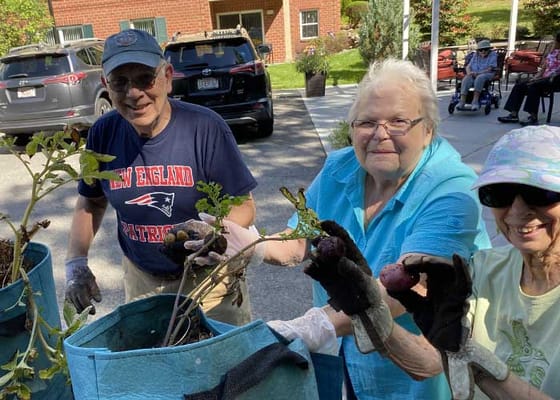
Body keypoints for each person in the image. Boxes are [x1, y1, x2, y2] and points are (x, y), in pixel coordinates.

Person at [186, 58, 492, 399]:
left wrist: (311, 326)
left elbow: (408, 288)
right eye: (367, 122)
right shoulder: (338, 169)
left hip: (415, 374)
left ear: (428, 130)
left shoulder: (452, 191)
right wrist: (254, 245)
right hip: (348, 360)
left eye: (398, 121)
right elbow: (299, 242)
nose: (380, 134)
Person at [289, 125, 560, 399]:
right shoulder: (486, 269)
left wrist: (470, 358)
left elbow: (459, 355)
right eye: (499, 194)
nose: (517, 211)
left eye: (541, 194)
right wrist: (370, 313)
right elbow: (429, 362)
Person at [63, 29, 257, 326]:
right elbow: (91, 203)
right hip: (142, 283)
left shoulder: (205, 128)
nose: (133, 93)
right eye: (120, 82)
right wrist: (76, 263)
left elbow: (244, 206)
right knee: (155, 365)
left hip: (210, 283)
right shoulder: (103, 134)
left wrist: (212, 231)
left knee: (222, 365)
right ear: (106, 85)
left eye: (145, 79)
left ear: (167, 76)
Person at [497, 31, 560, 126]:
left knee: (534, 87)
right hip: (543, 79)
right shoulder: (553, 53)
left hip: (555, 81)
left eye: (556, 41)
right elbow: (543, 69)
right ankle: (513, 115)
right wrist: (535, 77)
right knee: (520, 85)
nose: (554, 43)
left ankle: (533, 117)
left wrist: (547, 78)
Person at [458, 39, 498, 111]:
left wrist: (478, 73)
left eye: (485, 49)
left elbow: (490, 68)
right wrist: (469, 73)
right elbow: (468, 66)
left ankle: (475, 101)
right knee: (467, 78)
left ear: (489, 49)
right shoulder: (475, 55)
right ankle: (462, 101)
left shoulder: (493, 54)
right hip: (474, 73)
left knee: (480, 78)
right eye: (481, 50)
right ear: (478, 50)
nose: (483, 51)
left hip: (487, 73)